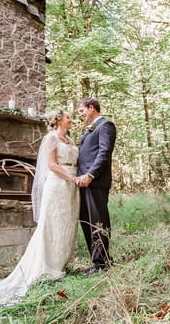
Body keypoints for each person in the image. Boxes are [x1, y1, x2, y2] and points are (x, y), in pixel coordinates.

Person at [0, 110, 80, 305]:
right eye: (67, 117)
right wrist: (71, 177)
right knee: (52, 224)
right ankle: (46, 268)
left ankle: (60, 263)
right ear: (58, 121)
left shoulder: (71, 141)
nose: (71, 120)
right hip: (57, 184)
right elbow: (52, 165)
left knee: (66, 224)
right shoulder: (51, 138)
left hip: (72, 186)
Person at [75, 97, 117, 275]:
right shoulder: (90, 129)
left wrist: (91, 174)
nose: (81, 115)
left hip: (95, 181)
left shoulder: (105, 126)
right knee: (87, 222)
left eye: (82, 111)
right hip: (83, 182)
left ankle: (101, 264)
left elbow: (104, 152)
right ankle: (98, 260)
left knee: (97, 221)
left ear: (91, 108)